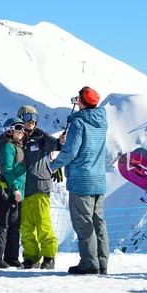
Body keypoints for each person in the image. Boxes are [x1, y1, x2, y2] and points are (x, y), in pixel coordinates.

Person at [49, 87, 109, 275]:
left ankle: (89, 264)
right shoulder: (102, 121)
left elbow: (71, 153)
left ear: (81, 101)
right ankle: (102, 262)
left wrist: (52, 166)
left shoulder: (79, 124)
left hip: (81, 180)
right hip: (99, 179)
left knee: (83, 222)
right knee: (98, 221)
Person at [16, 105, 64, 270]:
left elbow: (57, 144)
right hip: (23, 190)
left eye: (34, 117)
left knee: (43, 224)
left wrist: (61, 142)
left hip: (40, 187)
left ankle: (49, 257)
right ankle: (31, 257)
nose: (31, 121)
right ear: (21, 118)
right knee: (27, 227)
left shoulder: (41, 137)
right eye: (28, 116)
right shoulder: (17, 139)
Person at [0, 117, 26, 268]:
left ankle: (11, 257)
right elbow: (7, 169)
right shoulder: (8, 147)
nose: (21, 131)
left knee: (14, 225)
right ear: (9, 130)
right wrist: (15, 188)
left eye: (22, 128)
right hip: (4, 190)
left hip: (14, 192)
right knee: (2, 224)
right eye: (17, 128)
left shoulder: (19, 146)